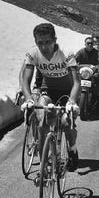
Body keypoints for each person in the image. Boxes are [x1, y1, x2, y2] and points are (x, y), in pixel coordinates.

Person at [21, 23, 81, 171]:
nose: (44, 47)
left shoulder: (66, 53)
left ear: (55, 39)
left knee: (67, 122)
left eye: (47, 42)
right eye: (40, 43)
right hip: (48, 92)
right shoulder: (33, 54)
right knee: (42, 121)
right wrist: (28, 98)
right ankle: (44, 166)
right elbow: (24, 79)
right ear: (35, 42)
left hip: (68, 92)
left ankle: (72, 149)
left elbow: (77, 82)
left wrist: (72, 100)